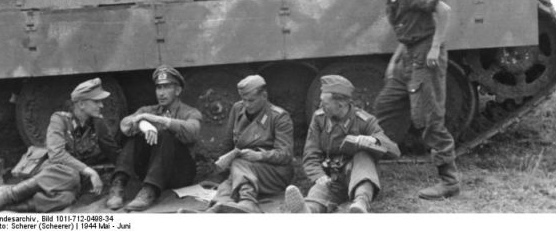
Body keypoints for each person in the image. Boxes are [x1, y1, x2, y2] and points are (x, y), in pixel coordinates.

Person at [363, 0, 460, 200]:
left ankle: (449, 182)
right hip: (409, 56)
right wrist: (395, 60)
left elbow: (444, 10)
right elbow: (408, 32)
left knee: (429, 118)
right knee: (386, 105)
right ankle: (372, 163)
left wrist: (436, 46)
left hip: (425, 57)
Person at [0, 78, 119, 213]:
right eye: (96, 101)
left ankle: (7, 206)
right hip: (52, 170)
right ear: (81, 104)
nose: (101, 105)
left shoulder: (98, 123)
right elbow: (57, 155)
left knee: (67, 198)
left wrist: (123, 171)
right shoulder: (59, 119)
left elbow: (111, 150)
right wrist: (89, 171)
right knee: (71, 174)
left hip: (72, 178)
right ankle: (7, 195)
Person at [285, 75, 400, 213]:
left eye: (324, 103)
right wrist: (319, 176)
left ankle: (361, 202)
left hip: (357, 175)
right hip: (331, 178)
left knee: (363, 156)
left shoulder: (364, 121)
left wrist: (373, 140)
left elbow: (395, 151)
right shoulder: (319, 119)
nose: (320, 105)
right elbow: (311, 154)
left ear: (340, 104)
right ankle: (307, 210)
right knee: (317, 195)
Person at [105, 65, 202, 211]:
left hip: (179, 173)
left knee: (165, 135)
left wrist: (159, 120)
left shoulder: (190, 112)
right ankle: (118, 185)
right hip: (152, 170)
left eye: (166, 87)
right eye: (158, 88)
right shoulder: (148, 110)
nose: (161, 93)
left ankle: (149, 191)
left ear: (178, 90)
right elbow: (125, 125)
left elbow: (192, 131)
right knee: (134, 136)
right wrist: (143, 124)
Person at [207, 74, 294, 213]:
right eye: (244, 100)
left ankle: (248, 201)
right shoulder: (237, 108)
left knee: (239, 165)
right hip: (244, 171)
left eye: (251, 100)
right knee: (226, 186)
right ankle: (222, 205)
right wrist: (222, 163)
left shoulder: (279, 116)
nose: (246, 105)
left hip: (274, 173)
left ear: (264, 96)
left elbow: (285, 155)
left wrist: (259, 156)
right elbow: (227, 142)